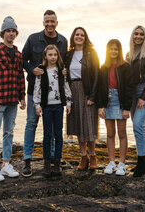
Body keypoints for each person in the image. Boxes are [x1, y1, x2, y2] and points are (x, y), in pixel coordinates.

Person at [22, 10, 68, 177]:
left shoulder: (63, 41)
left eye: (52, 21)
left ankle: (54, 160)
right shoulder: (33, 38)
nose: (49, 24)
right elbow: (22, 58)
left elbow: (64, 63)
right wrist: (30, 69)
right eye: (47, 21)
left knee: (54, 129)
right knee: (31, 123)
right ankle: (27, 159)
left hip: (55, 95)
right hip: (35, 89)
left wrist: (65, 72)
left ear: (57, 23)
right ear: (43, 23)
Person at [0, 16, 26, 182]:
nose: (11, 33)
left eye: (13, 31)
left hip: (12, 100)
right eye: (8, 31)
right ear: (2, 33)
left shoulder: (18, 54)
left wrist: (22, 97)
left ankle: (6, 165)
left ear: (16, 33)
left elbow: (20, 77)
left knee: (9, 133)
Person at [33, 45, 72, 178]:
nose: (53, 57)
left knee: (58, 134)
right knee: (47, 134)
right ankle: (47, 162)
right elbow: (37, 88)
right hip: (47, 107)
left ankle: (57, 162)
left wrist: (68, 102)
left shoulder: (61, 70)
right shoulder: (42, 70)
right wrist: (37, 104)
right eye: (50, 55)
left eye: (55, 55)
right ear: (45, 56)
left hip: (58, 106)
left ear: (58, 56)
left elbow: (65, 86)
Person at [96, 39, 134, 176]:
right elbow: (100, 88)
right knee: (110, 133)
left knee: (122, 133)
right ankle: (111, 162)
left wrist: (126, 108)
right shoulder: (103, 67)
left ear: (119, 51)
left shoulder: (125, 67)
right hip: (107, 101)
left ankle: (122, 164)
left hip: (121, 101)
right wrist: (100, 106)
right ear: (107, 51)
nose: (113, 51)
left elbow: (129, 88)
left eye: (116, 49)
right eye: (111, 49)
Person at [64, 27, 100, 170]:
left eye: (82, 35)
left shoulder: (91, 53)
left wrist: (93, 96)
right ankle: (83, 156)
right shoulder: (68, 54)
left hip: (87, 90)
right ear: (73, 37)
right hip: (73, 91)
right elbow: (63, 73)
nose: (79, 37)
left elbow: (97, 75)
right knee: (78, 125)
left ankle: (93, 156)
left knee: (89, 126)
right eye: (77, 35)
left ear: (85, 38)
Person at [127, 25, 145, 177]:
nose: (138, 36)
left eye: (141, 34)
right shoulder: (129, 55)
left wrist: (143, 97)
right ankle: (140, 160)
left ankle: (142, 161)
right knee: (137, 126)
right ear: (132, 36)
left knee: (138, 124)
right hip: (133, 95)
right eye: (136, 34)